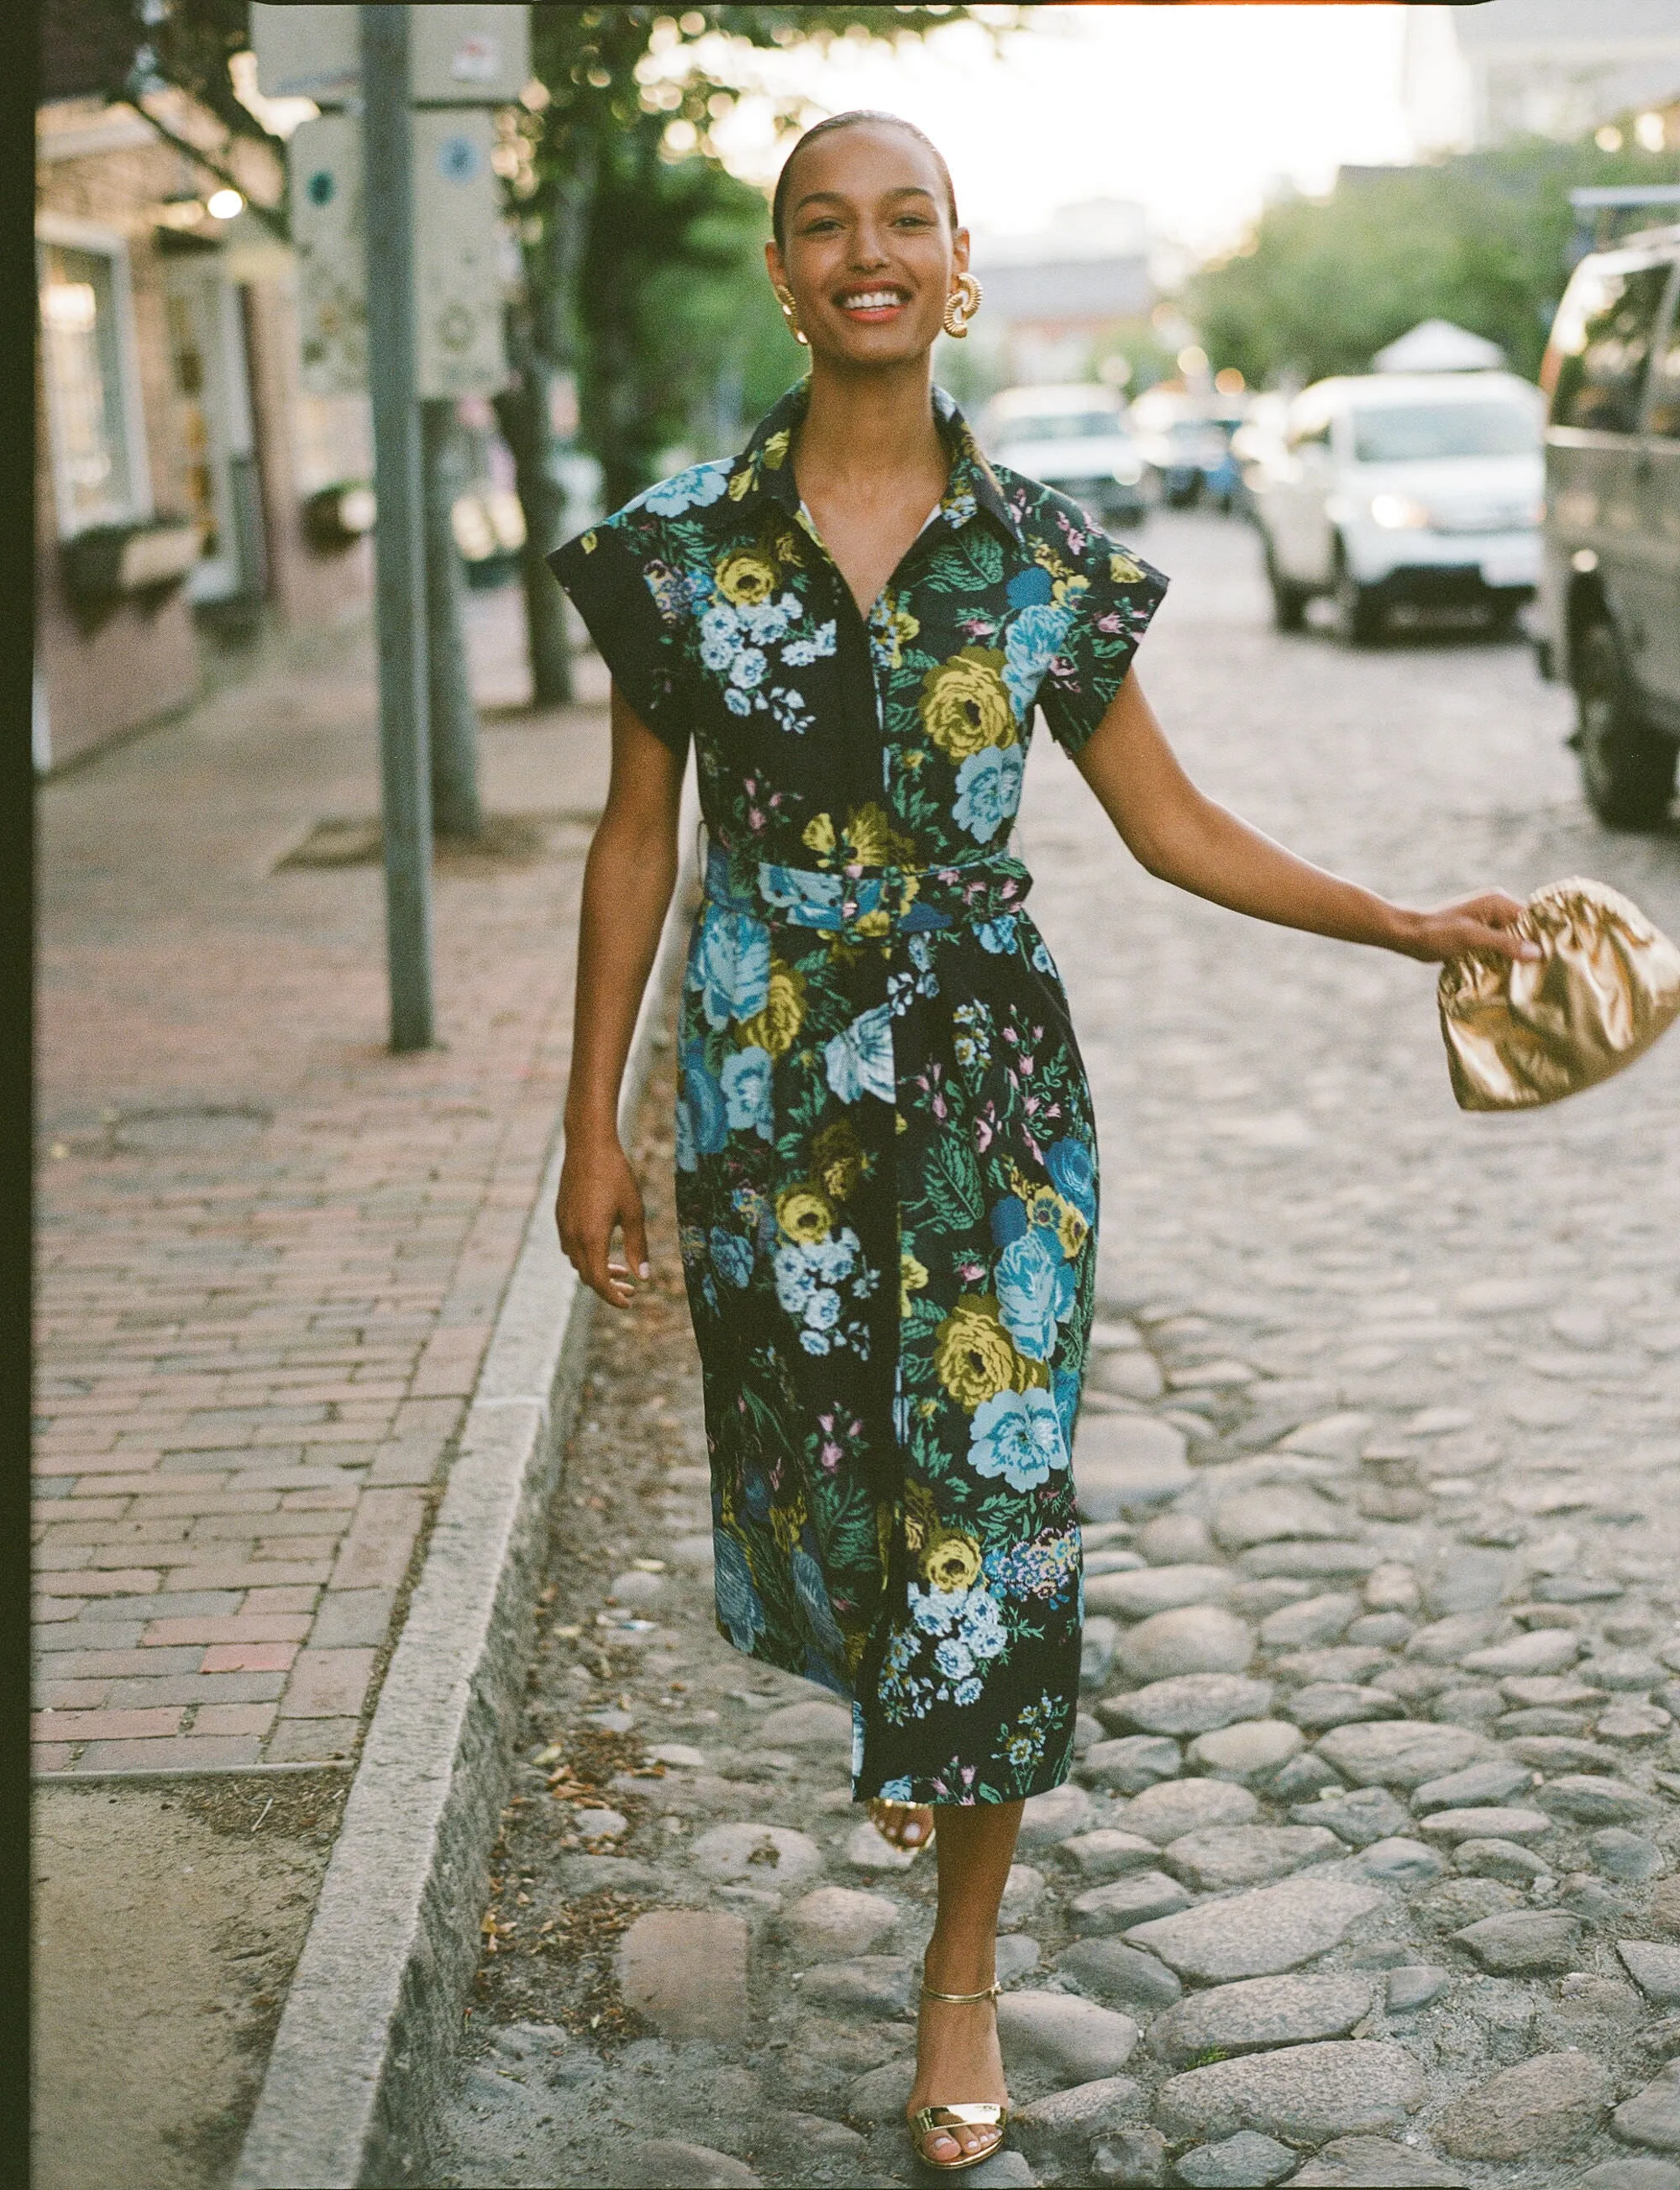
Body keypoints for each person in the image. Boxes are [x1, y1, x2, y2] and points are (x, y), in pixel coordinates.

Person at [549, 110, 1537, 2175]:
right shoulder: (673, 553)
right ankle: (899, 1697)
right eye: (825, 225)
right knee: (820, 1485)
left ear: (961, 262)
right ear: (784, 272)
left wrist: (1402, 922)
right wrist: (591, 1126)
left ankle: (960, 1966)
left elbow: (1170, 831)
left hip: (993, 1099)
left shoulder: (1050, 563)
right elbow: (636, 837)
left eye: (904, 220)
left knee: (991, 1514)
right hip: (765, 1097)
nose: (867, 253)